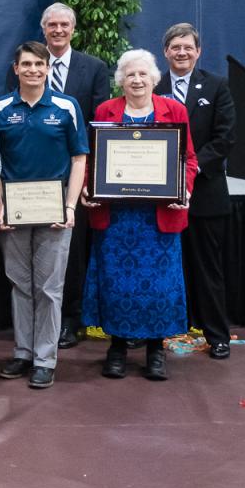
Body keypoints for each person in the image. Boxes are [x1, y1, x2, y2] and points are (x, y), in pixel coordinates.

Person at [82, 49, 197, 381]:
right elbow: (93, 158)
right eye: (130, 74)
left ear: (154, 78)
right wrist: (88, 186)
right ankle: (117, 348)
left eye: (143, 74)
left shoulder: (173, 110)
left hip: (157, 219)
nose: (136, 80)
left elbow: (188, 160)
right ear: (120, 80)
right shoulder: (106, 110)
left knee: (158, 286)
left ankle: (155, 351)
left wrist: (184, 190)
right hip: (116, 220)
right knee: (117, 285)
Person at [6, 3, 110, 349]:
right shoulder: (21, 69)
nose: (58, 29)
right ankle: (26, 342)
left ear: (73, 29)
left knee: (70, 256)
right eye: (52, 24)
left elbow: (95, 130)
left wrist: (86, 182)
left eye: (64, 24)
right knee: (23, 276)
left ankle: (69, 322)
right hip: (22, 190)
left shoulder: (92, 68)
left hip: (68, 184)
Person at [0, 42, 89, 390]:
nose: (33, 70)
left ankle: (45, 360)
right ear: (15, 68)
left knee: (49, 288)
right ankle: (23, 352)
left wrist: (70, 206)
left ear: (48, 69)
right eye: (27, 64)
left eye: (39, 64)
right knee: (20, 284)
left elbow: (79, 159)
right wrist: (0, 204)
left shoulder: (66, 106)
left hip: (54, 211)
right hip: (13, 212)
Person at [157, 24, 236, 360]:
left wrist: (187, 169)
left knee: (207, 269)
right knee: (160, 267)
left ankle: (216, 335)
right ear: (165, 52)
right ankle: (152, 332)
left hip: (204, 194)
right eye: (175, 47)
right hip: (159, 196)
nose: (182, 53)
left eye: (188, 47)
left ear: (198, 51)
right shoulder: (153, 85)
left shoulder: (217, 85)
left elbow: (224, 138)